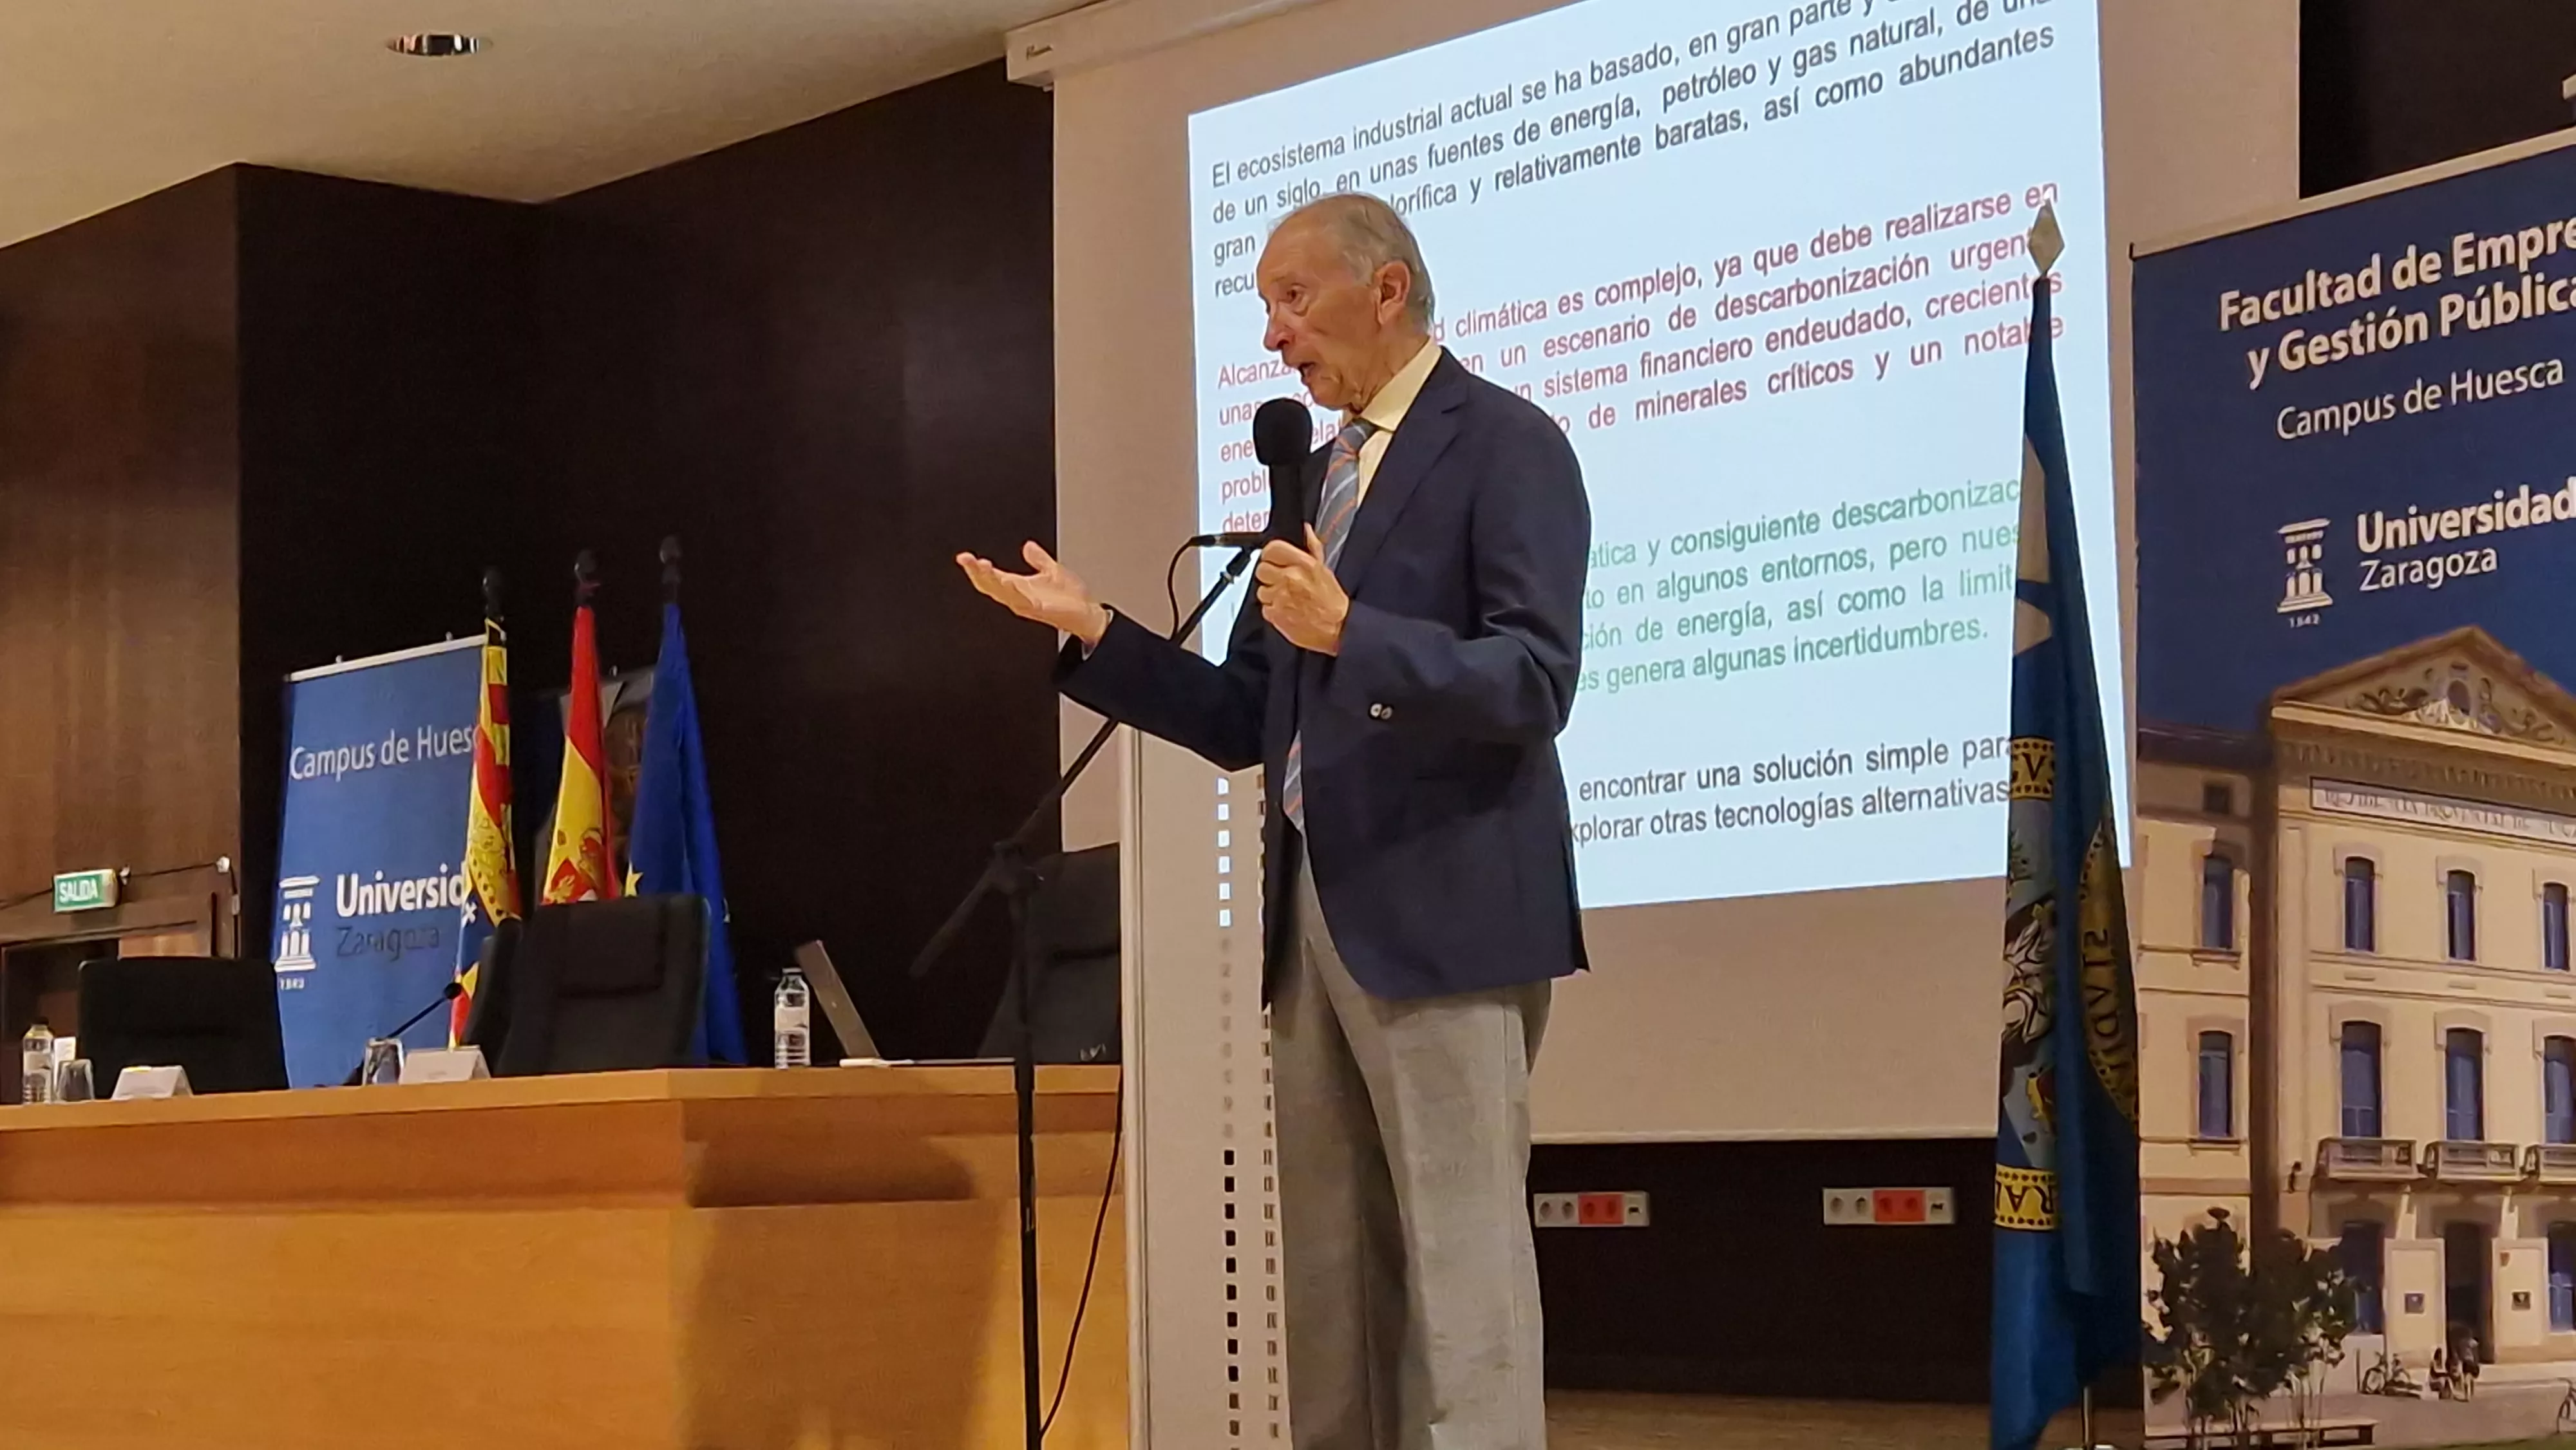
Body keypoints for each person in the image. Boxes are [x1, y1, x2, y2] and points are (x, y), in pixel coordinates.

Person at [958, 192, 1589, 1448]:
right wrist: (1094, 631)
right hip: (1311, 921)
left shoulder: (1506, 445)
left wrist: (1358, 634)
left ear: (1388, 291)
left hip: (1448, 916)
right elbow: (1248, 714)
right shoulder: (1321, 479)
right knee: (1328, 1272)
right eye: (1263, 305)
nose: (1274, 335)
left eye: (1291, 299)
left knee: (1462, 1264)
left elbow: (1533, 678)